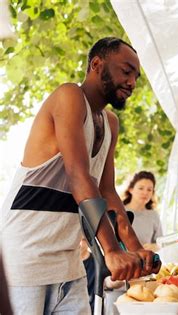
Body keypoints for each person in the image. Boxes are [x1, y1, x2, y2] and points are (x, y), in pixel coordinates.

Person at [0, 37, 160, 315]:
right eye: (126, 71)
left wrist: (134, 250)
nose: (133, 82)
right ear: (97, 65)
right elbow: (79, 177)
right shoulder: (69, 96)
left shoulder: (110, 122)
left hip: (69, 264)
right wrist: (112, 251)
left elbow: (108, 192)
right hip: (25, 261)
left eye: (136, 76)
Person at [123, 171, 164, 252]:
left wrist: (154, 246)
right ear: (131, 190)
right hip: (121, 262)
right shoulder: (119, 212)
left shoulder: (153, 215)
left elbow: (160, 242)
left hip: (145, 262)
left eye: (149, 190)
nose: (145, 193)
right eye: (141, 188)